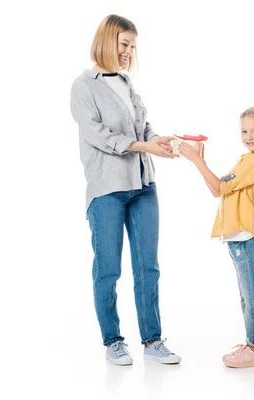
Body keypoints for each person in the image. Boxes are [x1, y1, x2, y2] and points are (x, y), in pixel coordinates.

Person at [70, 14, 181, 366]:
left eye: (132, 46)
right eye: (124, 45)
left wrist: (155, 140)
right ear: (106, 41)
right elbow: (97, 135)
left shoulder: (127, 84)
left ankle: (153, 341)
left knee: (149, 267)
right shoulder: (83, 86)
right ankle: (113, 340)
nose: (129, 52)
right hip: (107, 189)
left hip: (143, 186)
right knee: (108, 269)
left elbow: (142, 125)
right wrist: (140, 145)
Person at [179, 106, 254, 368]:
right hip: (241, 237)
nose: (248, 136)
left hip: (246, 237)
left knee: (251, 295)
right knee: (246, 295)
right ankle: (252, 343)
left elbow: (220, 186)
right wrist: (201, 163)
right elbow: (217, 190)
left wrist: (197, 161)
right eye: (244, 131)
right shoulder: (249, 160)